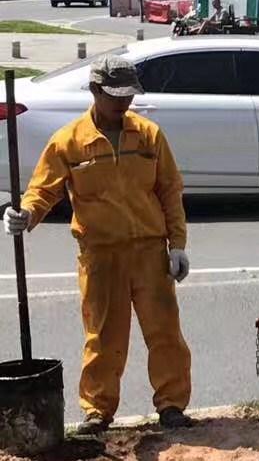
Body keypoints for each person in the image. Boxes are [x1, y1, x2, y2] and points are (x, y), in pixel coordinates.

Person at [3, 56, 194, 435]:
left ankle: (172, 405)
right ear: (94, 90)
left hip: (149, 252)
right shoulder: (69, 141)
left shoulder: (149, 136)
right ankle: (98, 410)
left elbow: (170, 191)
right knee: (103, 337)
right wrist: (25, 213)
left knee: (165, 333)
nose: (123, 103)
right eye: (115, 95)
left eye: (128, 95)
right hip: (100, 255)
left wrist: (177, 244)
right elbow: (43, 190)